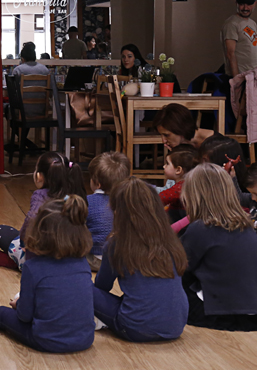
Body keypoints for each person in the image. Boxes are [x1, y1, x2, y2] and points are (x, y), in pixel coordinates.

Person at [0, 196, 95, 353]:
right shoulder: (82, 263)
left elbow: (24, 316)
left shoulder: (33, 268)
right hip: (85, 338)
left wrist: (18, 304)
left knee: (1, 315)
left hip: (45, 340)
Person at [179, 163, 257, 331]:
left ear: (193, 195)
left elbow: (181, 266)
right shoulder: (247, 225)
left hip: (220, 311)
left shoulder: (201, 228)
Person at [94, 178, 189, 342]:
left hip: (135, 329)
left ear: (117, 212)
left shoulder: (117, 243)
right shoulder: (169, 238)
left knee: (82, 286)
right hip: (176, 326)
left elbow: (102, 286)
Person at [0, 152, 85, 270]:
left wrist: (24, 243)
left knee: (1, 231)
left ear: (39, 176)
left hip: (40, 263)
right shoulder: (72, 197)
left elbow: (30, 220)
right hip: (68, 259)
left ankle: (14, 261)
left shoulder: (40, 195)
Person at [85, 152, 130, 271]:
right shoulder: (128, 202)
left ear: (97, 183)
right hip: (122, 259)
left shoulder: (88, 201)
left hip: (95, 258)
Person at [221, 0, 257, 78]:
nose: (245, 8)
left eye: (249, 4)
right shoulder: (232, 24)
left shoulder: (253, 23)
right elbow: (230, 53)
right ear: (236, 4)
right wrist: (236, 79)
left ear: (254, 4)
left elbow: (255, 48)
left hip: (253, 75)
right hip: (240, 75)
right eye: (242, 4)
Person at [159, 144, 199, 222]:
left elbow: (160, 199)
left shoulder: (181, 187)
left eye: (167, 164)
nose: (164, 166)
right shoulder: (190, 183)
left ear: (178, 170)